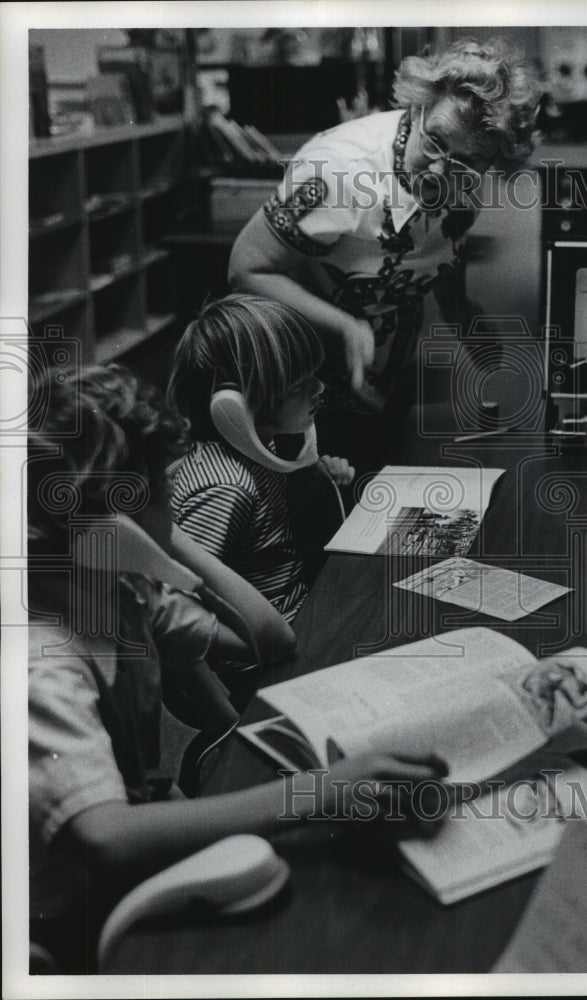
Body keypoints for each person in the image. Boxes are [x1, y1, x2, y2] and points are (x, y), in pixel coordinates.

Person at [27, 364, 447, 973]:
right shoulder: (44, 668)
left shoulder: (124, 597)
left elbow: (267, 639)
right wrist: (321, 790)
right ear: (103, 530)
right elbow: (108, 836)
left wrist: (169, 548)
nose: (177, 505)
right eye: (164, 492)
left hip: (133, 856)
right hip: (76, 917)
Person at [227, 36, 541, 465]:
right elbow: (246, 269)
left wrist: (463, 315)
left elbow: (439, 256)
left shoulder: (464, 186)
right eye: (435, 142)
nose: (439, 170)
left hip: (383, 371)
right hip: (298, 379)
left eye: (467, 163)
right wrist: (346, 325)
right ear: (418, 108)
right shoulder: (336, 171)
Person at [168, 295, 355, 624]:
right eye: (300, 384)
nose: (319, 387)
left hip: (300, 608)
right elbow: (185, 603)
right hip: (271, 648)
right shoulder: (225, 489)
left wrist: (316, 475)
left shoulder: (258, 448)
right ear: (235, 404)